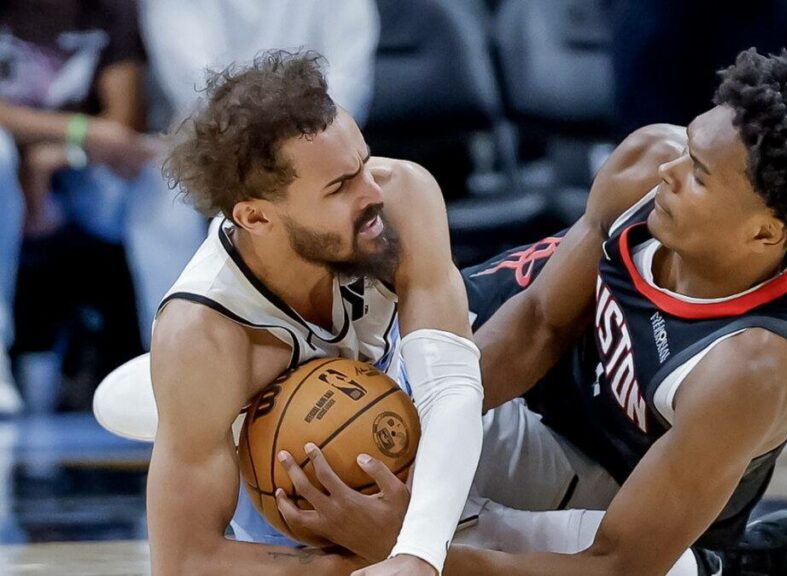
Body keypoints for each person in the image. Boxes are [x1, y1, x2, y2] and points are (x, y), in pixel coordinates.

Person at [275, 49, 787, 576]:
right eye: (690, 144)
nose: (669, 170)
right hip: (538, 365)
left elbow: (615, 564)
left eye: (698, 175)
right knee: (353, 412)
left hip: (615, 481)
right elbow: (538, 322)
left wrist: (415, 548)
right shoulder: (651, 159)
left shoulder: (752, 366)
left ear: (764, 233)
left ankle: (728, 565)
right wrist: (403, 427)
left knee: (417, 535)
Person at [142, 50, 483, 576]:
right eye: (340, 186)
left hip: (396, 376)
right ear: (255, 216)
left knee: (501, 333)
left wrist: (416, 551)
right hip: (265, 456)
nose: (374, 191)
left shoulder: (403, 194)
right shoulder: (202, 334)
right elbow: (185, 560)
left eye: (363, 161)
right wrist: (351, 563)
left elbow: (453, 389)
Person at [0, 0, 206, 414]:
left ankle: (182, 367)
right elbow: (98, 130)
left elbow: (121, 123)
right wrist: (75, 130)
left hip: (77, 169)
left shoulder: (109, 6)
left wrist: (56, 155)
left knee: (162, 177)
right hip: (11, 167)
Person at [140, 0, 378, 125]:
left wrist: (317, 138)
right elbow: (195, 83)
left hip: (323, 140)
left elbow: (350, 78)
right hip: (220, 152)